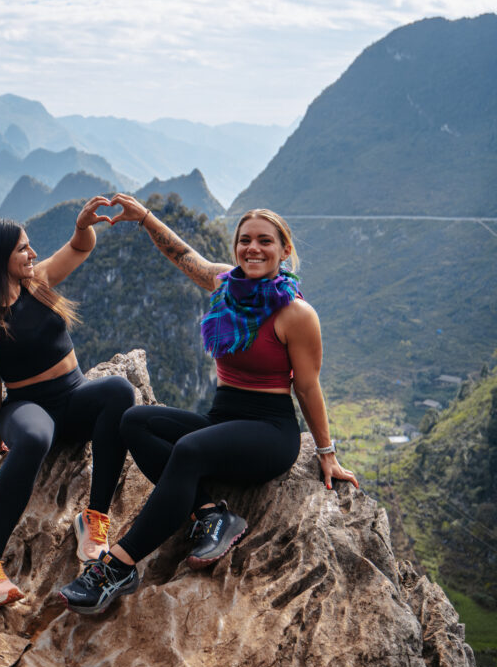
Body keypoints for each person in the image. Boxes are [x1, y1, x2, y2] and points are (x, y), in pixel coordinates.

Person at [59, 196, 359, 615]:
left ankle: (117, 568)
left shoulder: (297, 314)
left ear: (285, 251)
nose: (253, 248)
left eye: (265, 241)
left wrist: (326, 454)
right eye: (245, 240)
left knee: (189, 450)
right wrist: (143, 217)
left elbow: (307, 388)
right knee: (134, 421)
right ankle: (208, 514)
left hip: (269, 432)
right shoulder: (224, 283)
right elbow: (184, 256)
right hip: (222, 419)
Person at [0, 197, 135, 608]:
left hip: (74, 397)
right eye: (22, 248)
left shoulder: (39, 281)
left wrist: (82, 224)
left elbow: (81, 247)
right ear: (0, 259)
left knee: (120, 391)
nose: (32, 253)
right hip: (28, 407)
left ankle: (94, 520)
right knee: (34, 438)